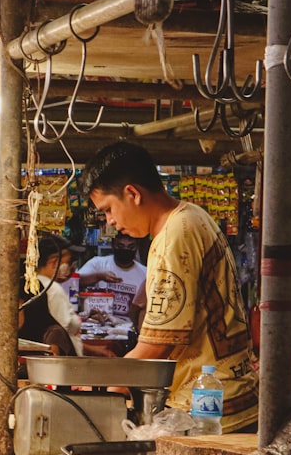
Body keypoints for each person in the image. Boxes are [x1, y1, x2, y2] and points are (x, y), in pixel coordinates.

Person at [80, 141, 259, 432]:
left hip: (208, 410)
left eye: (109, 209)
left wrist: (110, 387)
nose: (111, 222)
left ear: (133, 194)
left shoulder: (173, 236)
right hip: (231, 397)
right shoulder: (193, 216)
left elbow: (158, 343)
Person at [18, 233, 85, 356]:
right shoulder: (52, 289)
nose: (71, 267)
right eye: (69, 262)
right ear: (54, 262)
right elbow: (58, 335)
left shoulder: (33, 284)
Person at [77, 232, 148, 326]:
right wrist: (98, 276)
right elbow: (75, 282)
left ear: (136, 247)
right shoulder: (98, 264)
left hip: (128, 328)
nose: (125, 250)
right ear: (113, 245)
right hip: (98, 325)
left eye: (131, 247)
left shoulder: (145, 273)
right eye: (121, 246)